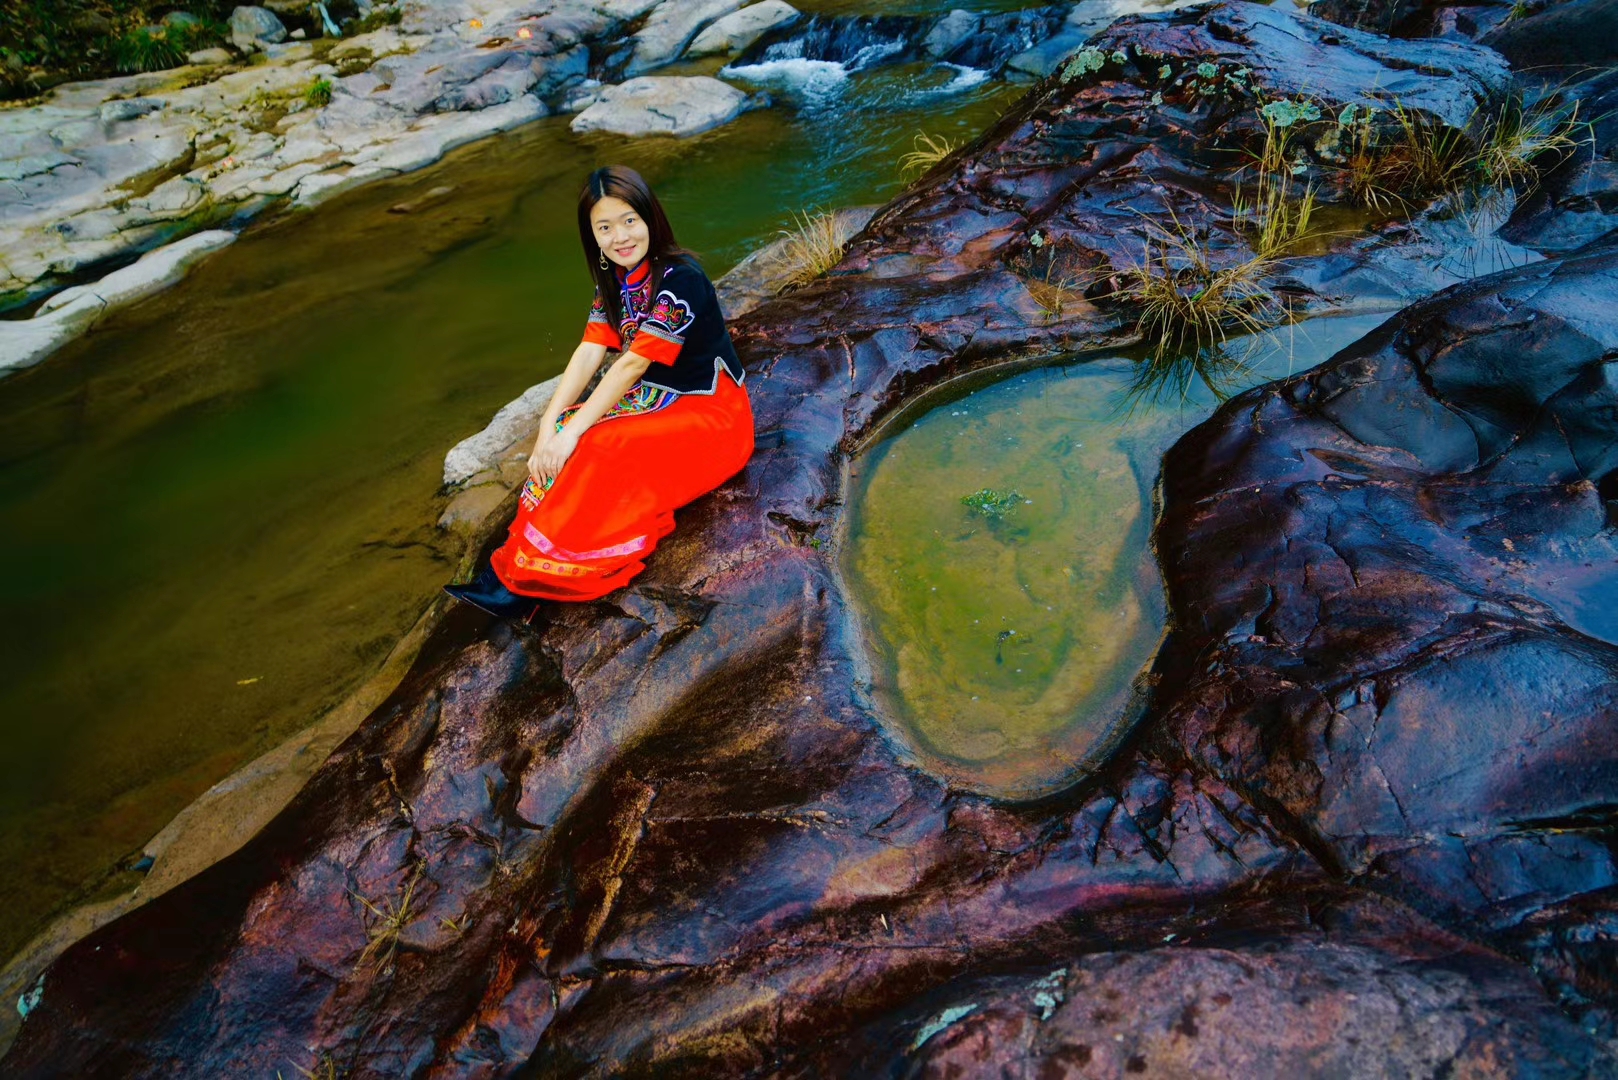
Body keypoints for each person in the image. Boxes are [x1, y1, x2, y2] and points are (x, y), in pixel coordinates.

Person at [445, 165, 754, 619]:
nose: (620, 237)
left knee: (597, 440)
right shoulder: (613, 277)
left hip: (712, 414)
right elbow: (591, 349)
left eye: (629, 220)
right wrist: (550, 425)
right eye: (604, 227)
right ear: (592, 235)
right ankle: (513, 566)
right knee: (571, 422)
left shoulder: (680, 278)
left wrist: (570, 435)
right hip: (661, 401)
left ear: (650, 217)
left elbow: (633, 363)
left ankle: (535, 579)